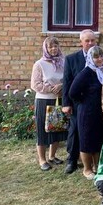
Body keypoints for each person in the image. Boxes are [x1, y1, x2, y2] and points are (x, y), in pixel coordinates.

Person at [62, 30, 103, 174]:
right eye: (87, 41)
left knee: (98, 136)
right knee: (79, 134)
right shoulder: (73, 59)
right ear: (81, 42)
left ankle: (98, 165)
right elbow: (68, 84)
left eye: (93, 40)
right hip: (84, 106)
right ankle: (75, 161)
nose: (90, 43)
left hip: (100, 107)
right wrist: (73, 102)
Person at [31, 36, 67, 171]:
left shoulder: (63, 62)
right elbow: (35, 85)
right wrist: (51, 89)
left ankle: (52, 156)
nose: (53, 49)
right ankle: (42, 159)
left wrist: (62, 86)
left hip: (59, 99)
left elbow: (68, 78)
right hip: (43, 99)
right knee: (42, 130)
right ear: (45, 48)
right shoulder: (39, 64)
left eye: (56, 46)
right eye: (50, 46)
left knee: (56, 128)